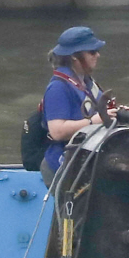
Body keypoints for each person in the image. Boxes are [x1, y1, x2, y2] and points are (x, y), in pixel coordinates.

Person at [41, 26, 116, 185]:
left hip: (87, 160)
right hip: (63, 164)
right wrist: (93, 122)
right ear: (75, 57)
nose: (98, 55)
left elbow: (100, 113)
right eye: (92, 52)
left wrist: (115, 115)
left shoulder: (88, 82)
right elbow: (57, 131)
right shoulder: (58, 88)